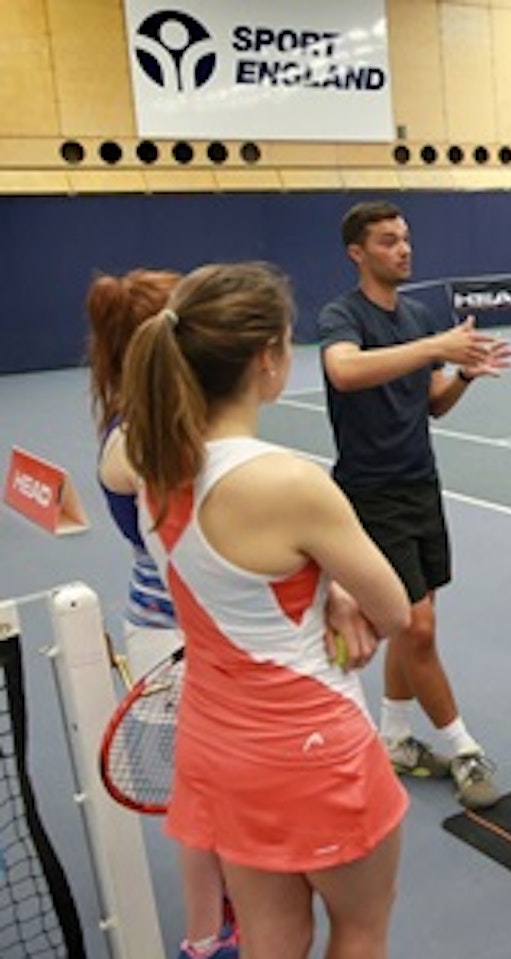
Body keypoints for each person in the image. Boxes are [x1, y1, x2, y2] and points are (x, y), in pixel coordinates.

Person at [123, 261, 413, 957]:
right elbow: (396, 610)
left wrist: (327, 586)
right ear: (267, 359)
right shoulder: (287, 481)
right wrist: (343, 588)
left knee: (270, 937)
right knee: (362, 928)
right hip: (312, 748)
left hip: (221, 747)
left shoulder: (151, 467)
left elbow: (252, 577)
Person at [318, 200, 511, 810]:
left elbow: (432, 404)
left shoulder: (420, 316)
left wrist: (463, 376)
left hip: (421, 486)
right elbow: (345, 372)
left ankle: (396, 738)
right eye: (387, 241)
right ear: (358, 253)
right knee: (417, 627)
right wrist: (434, 348)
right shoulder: (342, 316)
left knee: (413, 627)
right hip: (370, 496)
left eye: (405, 238)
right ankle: (463, 747)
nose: (403, 249)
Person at [87, 269, 237, 959]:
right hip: (177, 642)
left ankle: (221, 921)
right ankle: (207, 938)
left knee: (217, 794)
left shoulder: (156, 427)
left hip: (201, 633)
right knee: (204, 801)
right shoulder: (142, 442)